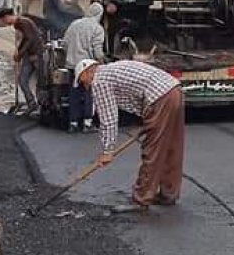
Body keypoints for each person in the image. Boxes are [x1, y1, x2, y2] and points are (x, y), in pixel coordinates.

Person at [75, 57, 185, 212]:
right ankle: (169, 194)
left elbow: (108, 119)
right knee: (171, 147)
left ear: (87, 73)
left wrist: (108, 151)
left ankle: (141, 198)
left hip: (160, 98)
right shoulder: (111, 70)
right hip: (173, 90)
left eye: (82, 81)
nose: (85, 87)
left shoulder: (99, 80)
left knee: (152, 150)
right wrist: (149, 117)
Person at [62, 3, 106, 133]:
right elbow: (98, 51)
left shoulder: (74, 24)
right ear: (99, 14)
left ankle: (73, 123)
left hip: (72, 65)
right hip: (87, 66)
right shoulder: (97, 29)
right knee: (89, 94)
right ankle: (87, 123)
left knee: (74, 94)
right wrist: (102, 63)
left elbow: (65, 43)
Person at [0, 7, 44, 115]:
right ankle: (32, 103)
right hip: (29, 55)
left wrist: (20, 53)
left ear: (8, 17)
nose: (5, 23)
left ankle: (41, 106)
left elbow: (30, 39)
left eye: (4, 20)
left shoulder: (23, 22)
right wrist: (19, 52)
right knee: (22, 80)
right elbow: (25, 39)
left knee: (40, 82)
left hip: (36, 54)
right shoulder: (19, 24)